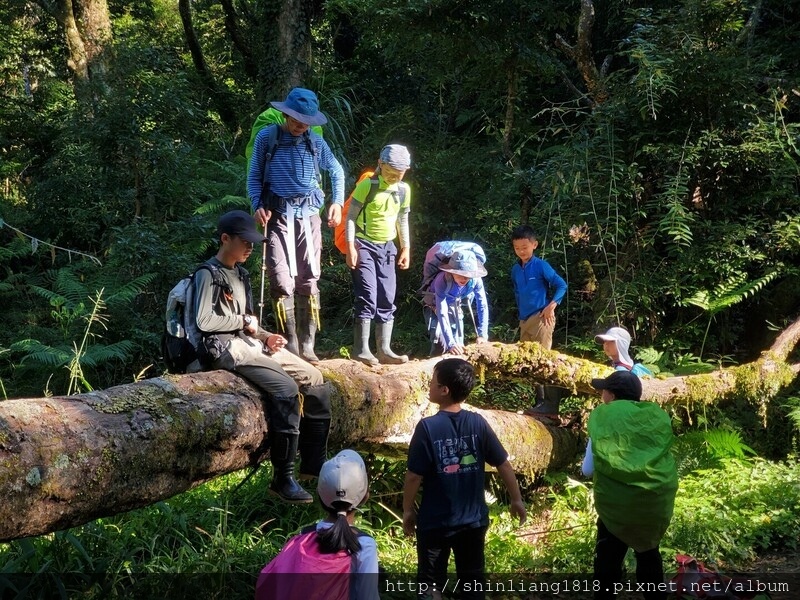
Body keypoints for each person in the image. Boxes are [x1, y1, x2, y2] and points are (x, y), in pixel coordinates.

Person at [194, 210, 333, 504]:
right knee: (287, 389)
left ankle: (314, 464)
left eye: (253, 242)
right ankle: (283, 478)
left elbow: (247, 322)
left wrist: (265, 336)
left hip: (248, 341)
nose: (250, 247)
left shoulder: (241, 275)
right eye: (244, 241)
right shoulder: (207, 274)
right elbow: (204, 321)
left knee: (315, 378)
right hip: (224, 348)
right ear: (225, 239)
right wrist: (244, 323)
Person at [402, 358, 527, 599]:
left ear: (444, 390)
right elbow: (503, 463)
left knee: (430, 583)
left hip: (435, 522)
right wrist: (516, 499)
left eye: (432, 382)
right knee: (472, 583)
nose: (429, 386)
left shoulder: (427, 428)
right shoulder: (477, 423)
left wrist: (408, 510)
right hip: (473, 521)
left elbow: (414, 477)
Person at [247, 87, 345, 364]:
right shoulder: (268, 138)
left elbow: (336, 170)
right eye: (296, 119)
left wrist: (337, 202)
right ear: (285, 114)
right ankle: (288, 345)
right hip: (277, 215)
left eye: (306, 121)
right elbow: (254, 175)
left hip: (309, 216)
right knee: (281, 279)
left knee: (309, 276)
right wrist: (257, 204)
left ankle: (308, 345)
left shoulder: (315, 142)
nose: (301, 125)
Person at [582, 371, 678, 600]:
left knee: (607, 563)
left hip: (616, 509)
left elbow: (587, 470)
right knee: (648, 555)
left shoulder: (604, 418)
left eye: (603, 390)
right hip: (653, 503)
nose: (601, 395)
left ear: (611, 395)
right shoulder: (654, 416)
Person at [256, 449, 379, 600]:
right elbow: (368, 596)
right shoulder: (365, 544)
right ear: (365, 496)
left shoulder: (303, 536)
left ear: (320, 496)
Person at [345, 144, 411, 366]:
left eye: (399, 174)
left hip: (387, 247)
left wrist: (406, 248)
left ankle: (384, 350)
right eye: (390, 172)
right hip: (363, 244)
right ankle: (361, 350)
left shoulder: (403, 190)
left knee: (387, 296)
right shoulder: (367, 185)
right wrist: (351, 247)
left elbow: (403, 219)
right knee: (367, 294)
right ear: (380, 165)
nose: (393, 178)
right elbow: (351, 218)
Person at [510, 225, 567, 350]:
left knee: (542, 359)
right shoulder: (515, 269)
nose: (521, 251)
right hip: (524, 320)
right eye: (517, 248)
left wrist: (551, 307)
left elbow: (562, 285)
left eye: (525, 247)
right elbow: (517, 293)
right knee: (524, 360)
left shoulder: (541, 265)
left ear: (534, 245)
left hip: (541, 318)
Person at [422, 249, 489, 356]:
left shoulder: (476, 280)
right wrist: (450, 343)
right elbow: (442, 312)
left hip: (455, 307)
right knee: (440, 343)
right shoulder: (442, 281)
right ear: (451, 271)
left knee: (459, 343)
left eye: (468, 275)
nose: (464, 278)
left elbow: (482, 306)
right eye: (459, 274)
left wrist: (483, 335)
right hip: (434, 307)